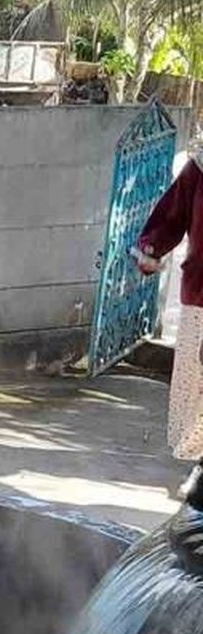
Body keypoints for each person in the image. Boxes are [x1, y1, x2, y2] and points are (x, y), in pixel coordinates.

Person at [137, 154, 203, 498]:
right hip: (202, 292)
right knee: (198, 384)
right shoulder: (201, 168)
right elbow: (172, 215)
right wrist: (152, 247)